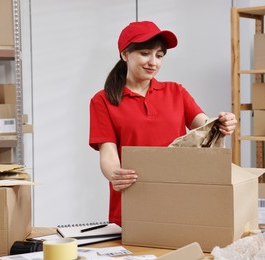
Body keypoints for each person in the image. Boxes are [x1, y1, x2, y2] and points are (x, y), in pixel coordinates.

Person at [89, 21, 237, 226]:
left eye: (159, 55)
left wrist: (224, 123)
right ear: (125, 54)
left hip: (179, 197)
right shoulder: (103, 100)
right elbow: (108, 152)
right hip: (133, 198)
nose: (153, 62)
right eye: (145, 53)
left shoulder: (176, 92)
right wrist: (115, 174)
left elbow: (205, 126)